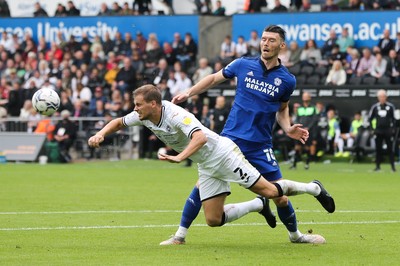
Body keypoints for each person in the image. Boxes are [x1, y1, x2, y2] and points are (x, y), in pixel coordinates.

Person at [88, 85, 335, 243]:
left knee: (271, 191)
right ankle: (256, 206)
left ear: (154, 104)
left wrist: (180, 156)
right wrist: (101, 134)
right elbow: (119, 121)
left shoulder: (176, 115)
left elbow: (200, 137)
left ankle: (313, 188)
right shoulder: (143, 115)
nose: (135, 109)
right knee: (214, 220)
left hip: (222, 155)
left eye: (138, 105)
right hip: (206, 164)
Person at [166, 25, 333, 245]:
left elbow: (282, 109)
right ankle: (180, 236)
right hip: (230, 139)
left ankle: (296, 236)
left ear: (281, 46)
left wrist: (288, 128)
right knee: (201, 184)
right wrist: (190, 91)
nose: (266, 43)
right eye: (264, 39)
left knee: (279, 196)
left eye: (272, 40)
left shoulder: (287, 80)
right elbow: (215, 78)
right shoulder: (243, 64)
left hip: (260, 144)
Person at [368, 89, 397, 172]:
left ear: (386, 97)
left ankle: (393, 167)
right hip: (378, 131)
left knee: (390, 149)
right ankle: (377, 166)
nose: (382, 98)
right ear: (378, 98)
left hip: (388, 131)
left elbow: (394, 119)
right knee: (378, 149)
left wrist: (393, 129)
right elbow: (370, 119)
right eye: (380, 97)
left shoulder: (390, 107)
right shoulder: (375, 107)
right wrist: (372, 129)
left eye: (383, 96)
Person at [291, 92, 319, 169]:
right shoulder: (300, 108)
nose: (305, 98)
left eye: (307, 96)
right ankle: (294, 164)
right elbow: (297, 119)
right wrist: (298, 127)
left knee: (307, 147)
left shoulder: (313, 108)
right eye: (304, 96)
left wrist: (308, 128)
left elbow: (314, 120)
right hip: (300, 130)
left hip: (309, 131)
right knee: (297, 147)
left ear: (309, 98)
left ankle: (307, 163)